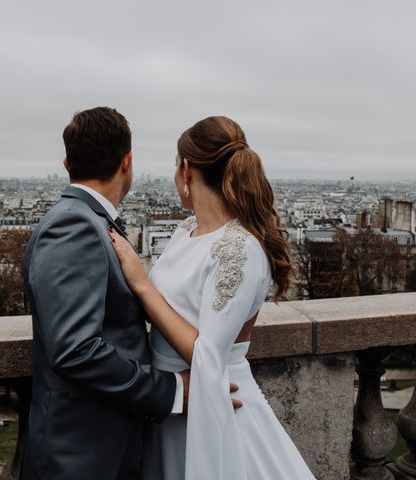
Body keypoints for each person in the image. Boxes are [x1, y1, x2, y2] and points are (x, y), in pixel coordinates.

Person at [108, 115, 316, 479]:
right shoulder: (186, 230)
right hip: (174, 402)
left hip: (215, 401)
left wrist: (142, 284)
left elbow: (208, 353)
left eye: (175, 166)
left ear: (186, 170)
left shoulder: (240, 248)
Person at [22, 107, 200, 479]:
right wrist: (167, 390)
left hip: (97, 445)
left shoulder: (84, 220)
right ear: (127, 162)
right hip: (82, 453)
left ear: (68, 162)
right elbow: (75, 349)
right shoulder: (74, 226)